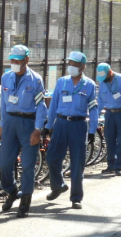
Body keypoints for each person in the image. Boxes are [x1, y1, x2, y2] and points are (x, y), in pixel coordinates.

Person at [0, 45, 47, 218]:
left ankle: (25, 200)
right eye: (12, 60)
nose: (14, 63)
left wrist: (38, 129)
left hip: (28, 123)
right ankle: (11, 190)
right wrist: (2, 124)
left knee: (27, 164)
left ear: (26, 60)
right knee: (4, 163)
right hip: (10, 122)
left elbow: (41, 106)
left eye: (18, 60)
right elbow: (3, 103)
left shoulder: (35, 80)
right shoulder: (6, 77)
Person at [44, 51, 99, 209]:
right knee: (52, 158)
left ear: (82, 66)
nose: (71, 66)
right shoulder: (62, 82)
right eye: (70, 63)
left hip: (78, 125)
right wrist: (48, 126)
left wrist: (92, 130)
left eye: (75, 64)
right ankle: (58, 186)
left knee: (77, 163)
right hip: (61, 123)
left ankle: (76, 197)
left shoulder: (89, 84)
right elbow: (53, 105)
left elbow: (93, 108)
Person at [96, 63, 121, 176]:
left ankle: (119, 167)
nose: (103, 80)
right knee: (109, 140)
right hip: (109, 114)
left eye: (104, 77)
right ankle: (111, 165)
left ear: (110, 72)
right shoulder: (102, 82)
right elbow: (99, 99)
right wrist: (96, 113)